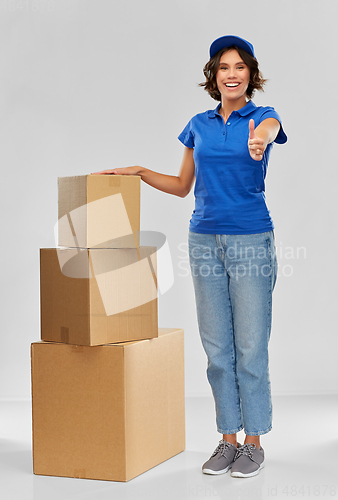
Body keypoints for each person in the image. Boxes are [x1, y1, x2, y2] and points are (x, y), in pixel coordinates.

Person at [93, 35, 287, 479]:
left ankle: (254, 442)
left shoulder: (263, 117)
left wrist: (259, 143)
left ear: (250, 74)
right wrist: (140, 172)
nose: (231, 74)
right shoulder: (197, 124)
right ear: (213, 75)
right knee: (218, 349)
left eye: (239, 67)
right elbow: (183, 186)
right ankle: (227, 439)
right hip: (203, 240)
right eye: (223, 67)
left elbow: (270, 132)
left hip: (250, 239)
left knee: (251, 345)